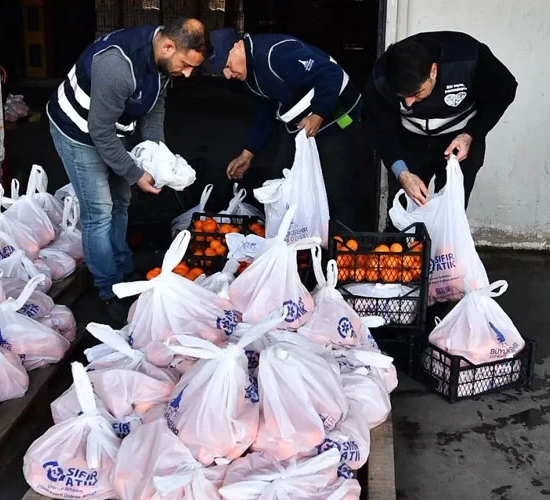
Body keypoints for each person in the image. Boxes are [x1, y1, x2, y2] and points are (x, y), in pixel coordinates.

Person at [47, 18, 208, 323]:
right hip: (78, 131)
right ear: (168, 46)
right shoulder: (118, 67)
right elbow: (99, 132)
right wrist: (136, 174)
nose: (187, 74)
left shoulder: (163, 62)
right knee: (100, 210)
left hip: (112, 129)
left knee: (121, 201)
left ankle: (122, 267)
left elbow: (154, 109)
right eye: (185, 64)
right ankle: (109, 289)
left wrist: (156, 156)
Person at [207, 28, 368, 230]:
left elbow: (330, 73)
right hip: (300, 125)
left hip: (338, 114)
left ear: (238, 46)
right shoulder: (247, 76)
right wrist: (248, 154)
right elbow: (264, 114)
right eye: (223, 71)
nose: (228, 75)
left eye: (227, 65)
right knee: (279, 182)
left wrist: (319, 113)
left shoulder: (276, 55)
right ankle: (292, 245)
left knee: (335, 184)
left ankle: (344, 246)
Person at [364, 31, 517, 212]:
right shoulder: (381, 78)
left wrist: (471, 133)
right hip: (410, 140)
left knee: (451, 208)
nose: (408, 103)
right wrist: (402, 173)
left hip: (459, 139)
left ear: (433, 71)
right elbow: (380, 129)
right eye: (402, 97)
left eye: (417, 93)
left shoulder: (468, 59)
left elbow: (504, 91)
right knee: (404, 207)